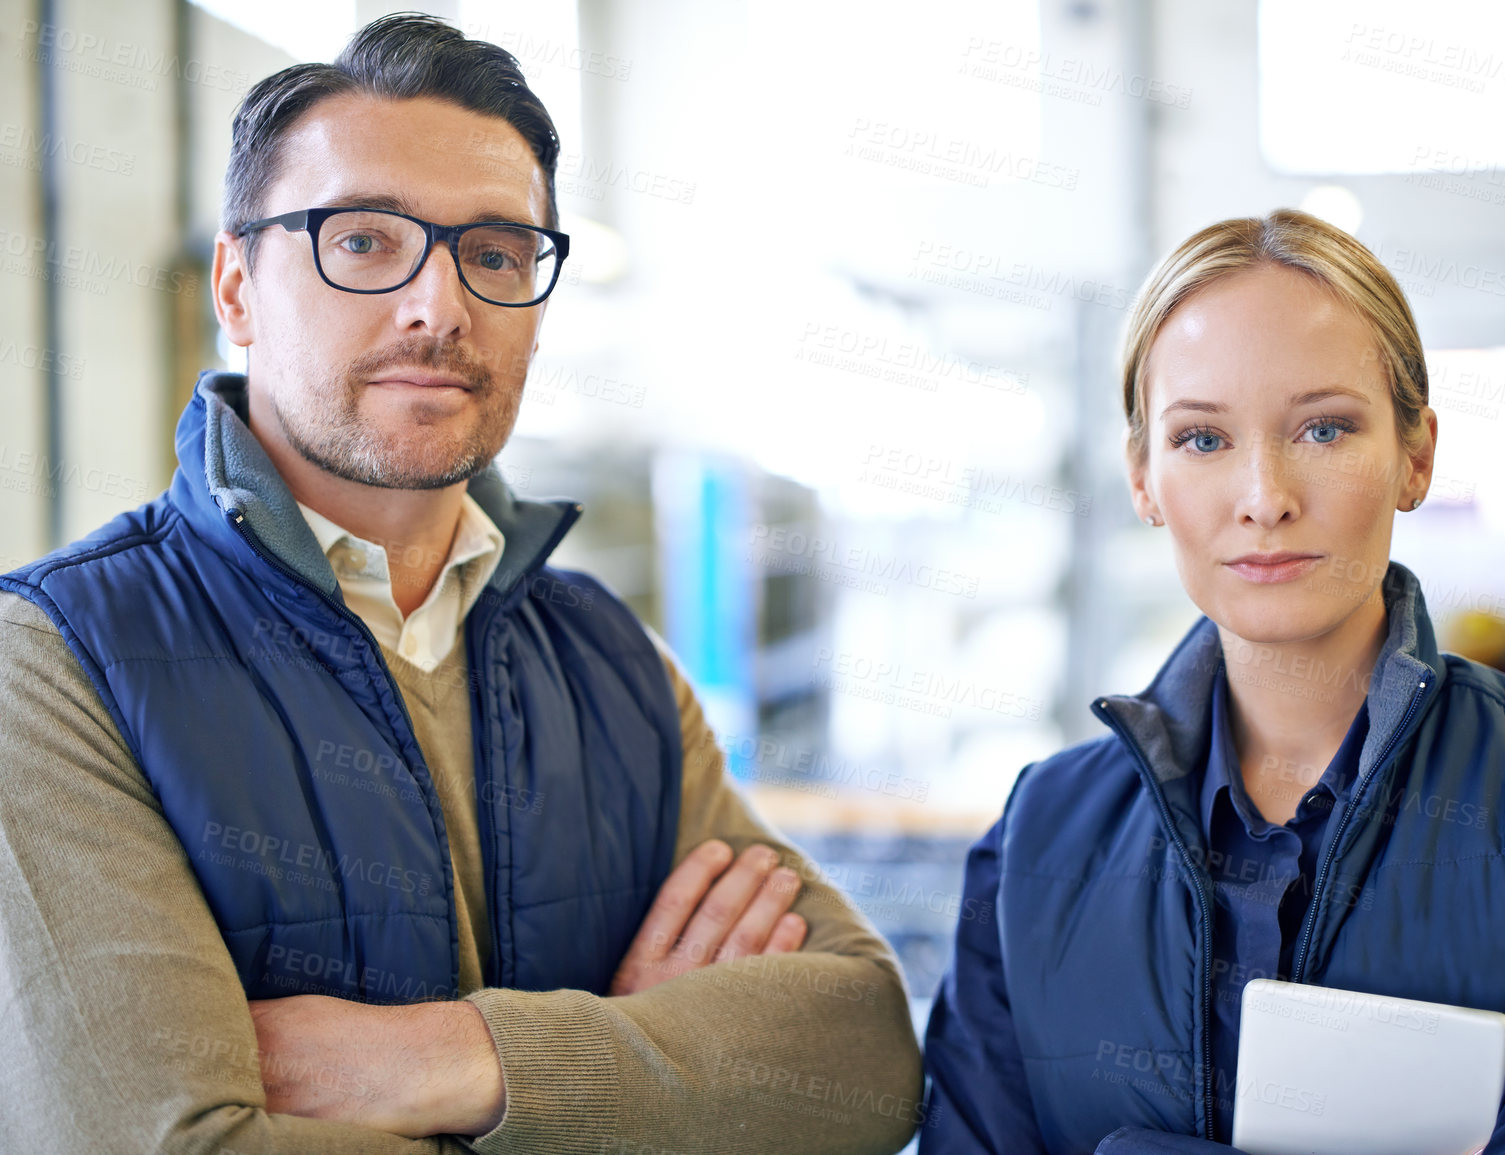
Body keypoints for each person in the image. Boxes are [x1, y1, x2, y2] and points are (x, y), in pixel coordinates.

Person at [0, 15, 921, 1153]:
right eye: (366, 240)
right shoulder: (56, 662)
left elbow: (867, 1062)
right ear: (237, 287)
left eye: (493, 252)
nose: (438, 306)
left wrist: (460, 1064)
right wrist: (660, 1086)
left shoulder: (609, 666)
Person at [918, 209, 1505, 1153]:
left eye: (1323, 428)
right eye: (1202, 440)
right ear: (1142, 476)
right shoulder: (1036, 836)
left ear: (1415, 454)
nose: (1264, 495)